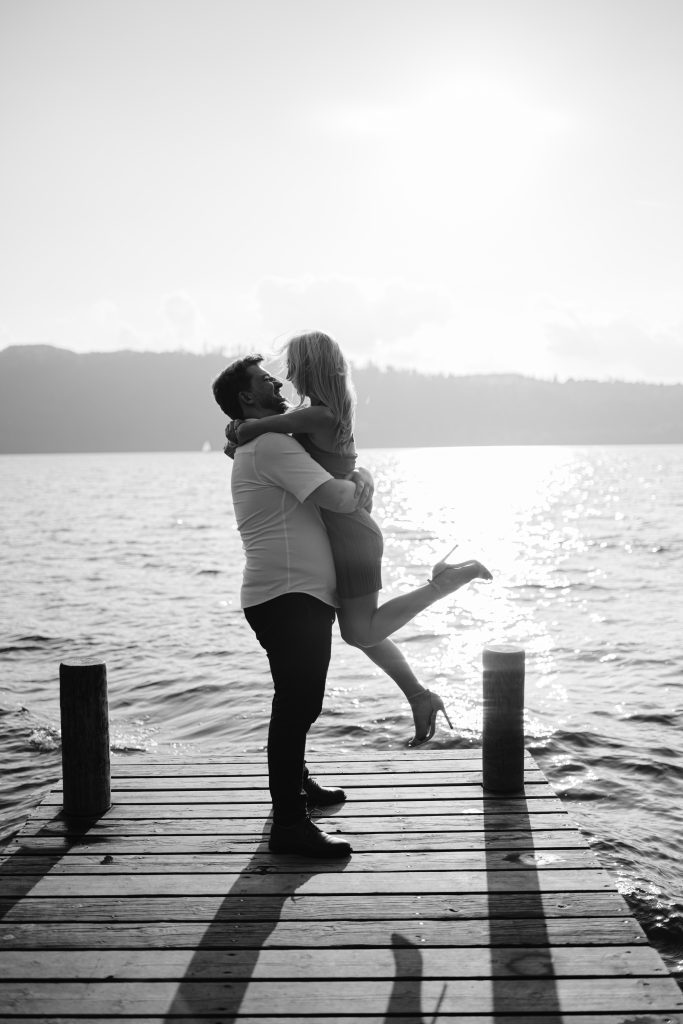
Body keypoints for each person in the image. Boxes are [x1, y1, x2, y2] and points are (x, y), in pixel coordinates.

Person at [228, 331, 492, 747]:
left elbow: (257, 432)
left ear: (309, 368)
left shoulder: (319, 415)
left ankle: (443, 585)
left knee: (360, 631)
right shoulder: (319, 412)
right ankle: (419, 696)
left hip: (351, 534)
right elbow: (269, 440)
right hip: (344, 533)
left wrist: (240, 427)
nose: (288, 376)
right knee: (360, 630)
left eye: (293, 366)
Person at [212, 354, 374, 859]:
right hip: (287, 596)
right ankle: (289, 824)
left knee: (299, 703)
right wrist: (365, 481)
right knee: (297, 706)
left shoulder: (265, 441)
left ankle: (297, 785)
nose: (278, 382)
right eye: (265, 380)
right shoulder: (271, 444)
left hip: (289, 595)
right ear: (247, 397)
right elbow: (339, 499)